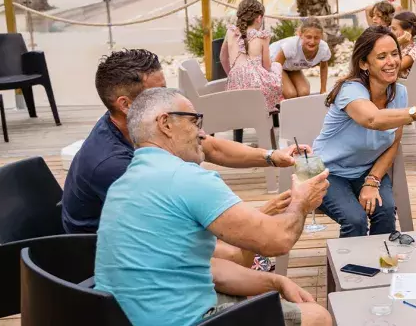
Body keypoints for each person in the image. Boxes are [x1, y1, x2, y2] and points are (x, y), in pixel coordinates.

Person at [94, 87, 332, 326]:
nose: (202, 133)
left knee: (250, 294)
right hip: (185, 321)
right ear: (165, 123)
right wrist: (301, 203)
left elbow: (209, 268)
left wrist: (276, 282)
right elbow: (277, 240)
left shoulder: (122, 185)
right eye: (195, 121)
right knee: (317, 317)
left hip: (126, 319)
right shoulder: (186, 178)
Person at [61, 49, 303, 270]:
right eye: (156, 94)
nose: (167, 98)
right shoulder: (114, 164)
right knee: (254, 268)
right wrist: (259, 219)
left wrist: (272, 157)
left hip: (150, 237)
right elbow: (181, 229)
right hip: (116, 262)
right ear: (125, 105)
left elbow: (211, 147)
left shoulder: (140, 125)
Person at [312, 26, 416, 237]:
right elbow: (373, 119)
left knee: (385, 211)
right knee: (355, 219)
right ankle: (350, 269)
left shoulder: (399, 93)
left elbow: (393, 142)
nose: (392, 62)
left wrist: (373, 180)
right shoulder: (350, 90)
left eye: (395, 54)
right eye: (381, 56)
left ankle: (383, 264)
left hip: (365, 170)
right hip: (327, 172)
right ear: (364, 63)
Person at [221, 0, 282, 112]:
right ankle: (272, 104)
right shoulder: (262, 37)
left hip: (234, 85)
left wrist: (232, 74)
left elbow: (223, 58)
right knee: (277, 66)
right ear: (259, 18)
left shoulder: (230, 32)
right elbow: (267, 66)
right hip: (257, 88)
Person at [270, 18, 332, 98]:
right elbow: (276, 67)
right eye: (308, 37)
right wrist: (276, 90)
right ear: (300, 35)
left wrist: (323, 90)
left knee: (304, 92)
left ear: (321, 37)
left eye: (316, 38)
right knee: (290, 93)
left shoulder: (324, 48)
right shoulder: (291, 45)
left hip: (291, 67)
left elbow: (323, 68)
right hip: (274, 63)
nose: (312, 41)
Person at [389, 11, 416, 79]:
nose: (391, 32)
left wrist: (397, 43)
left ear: (408, 31)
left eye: (394, 29)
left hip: (405, 87)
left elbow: (393, 68)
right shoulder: (401, 46)